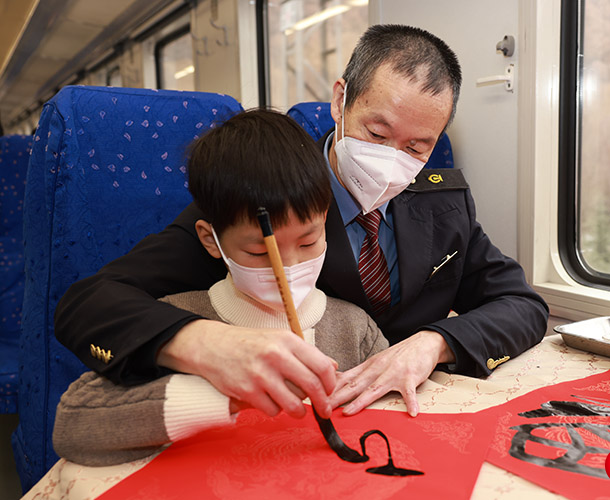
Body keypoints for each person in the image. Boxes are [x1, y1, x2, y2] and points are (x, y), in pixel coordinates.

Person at [55, 24, 549, 419]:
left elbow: (522, 305)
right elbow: (87, 306)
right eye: (377, 133)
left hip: (408, 414)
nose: (392, 161)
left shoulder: (444, 203)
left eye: (417, 147)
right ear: (340, 101)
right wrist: (206, 344)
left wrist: (432, 344)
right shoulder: (267, 193)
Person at [52, 108, 388, 466]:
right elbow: (73, 429)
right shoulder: (175, 317)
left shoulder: (355, 329)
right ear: (210, 241)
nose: (287, 268)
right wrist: (225, 393)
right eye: (261, 251)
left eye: (308, 243)